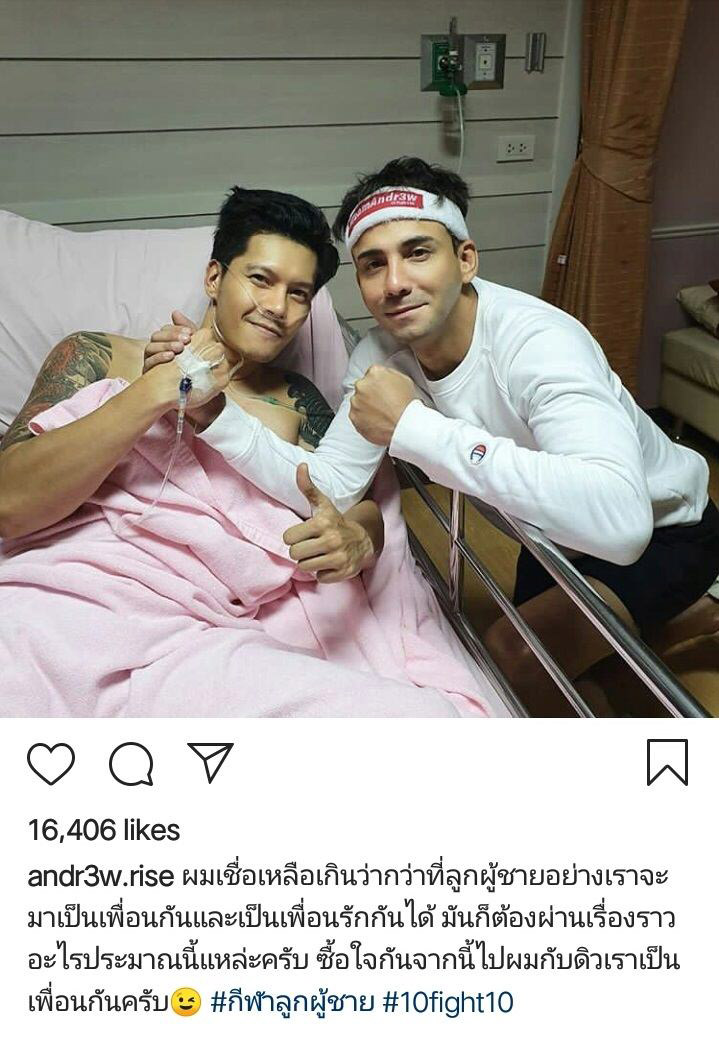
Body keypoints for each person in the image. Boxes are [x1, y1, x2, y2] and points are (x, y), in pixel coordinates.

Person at [149, 158, 719, 715]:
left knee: (512, 657)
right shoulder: (379, 356)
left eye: (417, 253)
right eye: (373, 265)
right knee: (577, 676)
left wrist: (414, 428)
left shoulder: (539, 343)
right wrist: (216, 414)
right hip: (551, 537)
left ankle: (696, 601)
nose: (395, 283)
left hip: (668, 530)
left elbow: (621, 523)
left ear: (465, 259)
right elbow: (331, 485)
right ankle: (695, 617)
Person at [0, 185, 491, 717]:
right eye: (260, 279)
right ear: (214, 278)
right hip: (59, 601)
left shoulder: (295, 402)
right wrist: (159, 390)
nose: (277, 308)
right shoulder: (100, 357)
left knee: (420, 719)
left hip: (196, 634)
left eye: (299, 294)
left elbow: (348, 500)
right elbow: (10, 501)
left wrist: (360, 539)